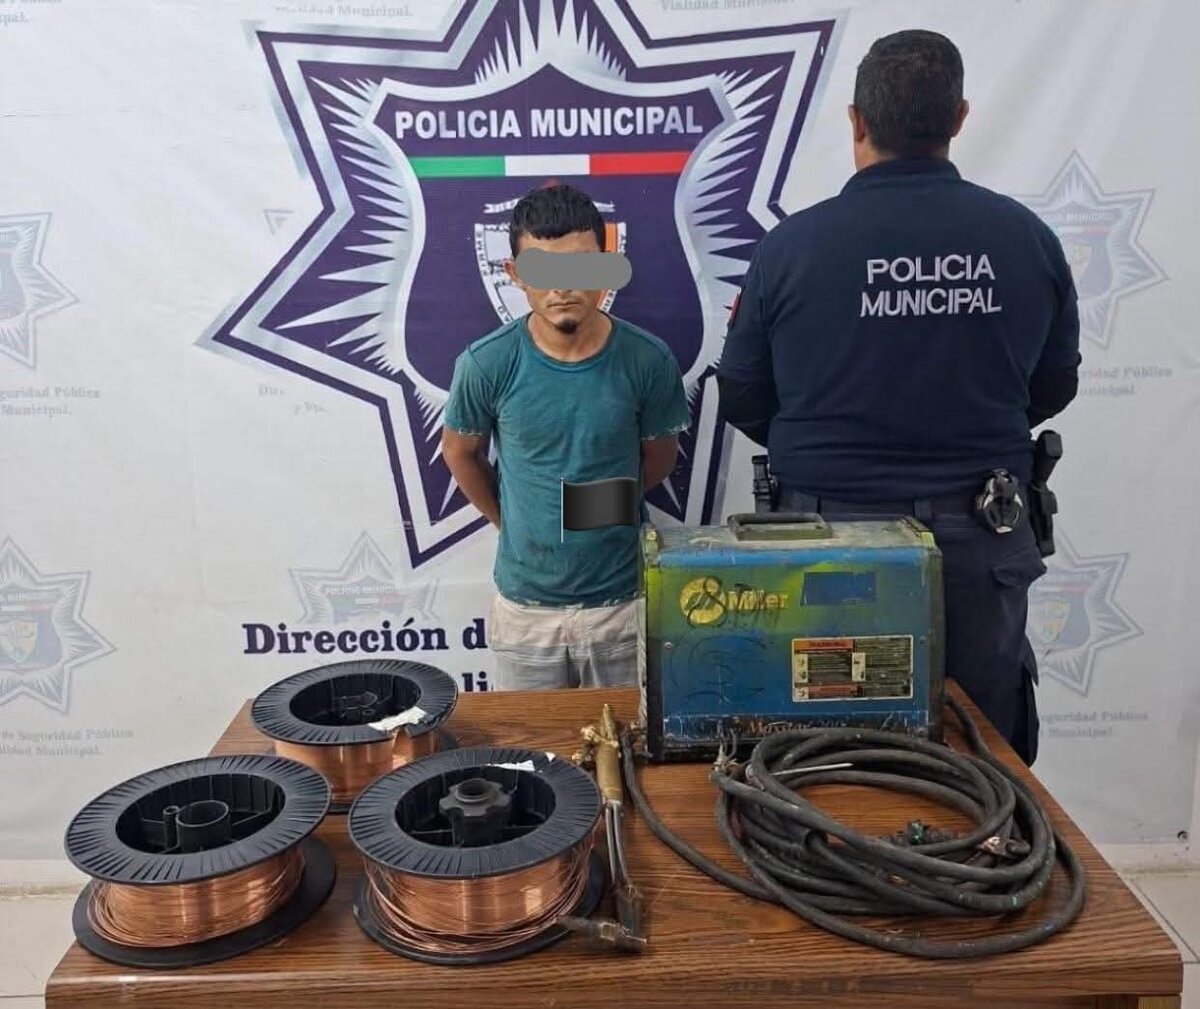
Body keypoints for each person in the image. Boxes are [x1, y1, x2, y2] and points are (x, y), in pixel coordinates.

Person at [715, 30, 1080, 765]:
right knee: (982, 762)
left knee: (823, 759)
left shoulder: (792, 248)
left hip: (824, 547)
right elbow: (1052, 386)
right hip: (979, 534)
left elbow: (744, 395)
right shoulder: (1024, 239)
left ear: (855, 121)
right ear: (960, 117)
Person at [442, 183, 689, 691]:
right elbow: (461, 453)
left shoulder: (648, 360)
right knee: (531, 744)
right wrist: (513, 520)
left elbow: (659, 459)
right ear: (514, 274)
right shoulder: (486, 363)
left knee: (630, 741)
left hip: (622, 605)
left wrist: (599, 506)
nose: (563, 287)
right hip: (526, 614)